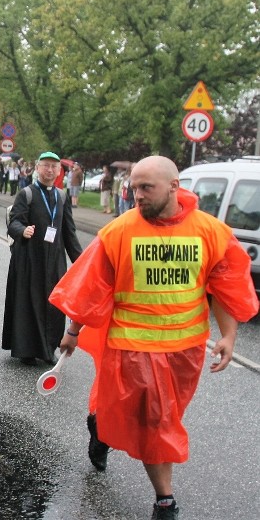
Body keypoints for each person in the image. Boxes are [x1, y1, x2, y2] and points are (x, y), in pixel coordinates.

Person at [50, 156, 258, 520]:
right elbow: (90, 289)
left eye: (146, 188)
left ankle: (101, 427)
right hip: (133, 350)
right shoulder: (118, 232)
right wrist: (72, 332)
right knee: (157, 422)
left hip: (185, 353)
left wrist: (228, 335)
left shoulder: (209, 232)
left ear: (175, 186)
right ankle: (165, 501)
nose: (137, 196)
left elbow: (222, 287)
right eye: (133, 189)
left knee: (158, 416)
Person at [3, 151, 82, 366]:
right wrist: (22, 230)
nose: (49, 170)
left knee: (54, 305)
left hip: (55, 260)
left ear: (59, 171)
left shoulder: (62, 197)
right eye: (45, 166)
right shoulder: (26, 194)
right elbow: (14, 222)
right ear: (37, 168)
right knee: (28, 304)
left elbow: (69, 232)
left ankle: (49, 348)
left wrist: (82, 261)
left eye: (53, 167)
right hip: (30, 259)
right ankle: (27, 350)